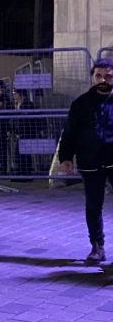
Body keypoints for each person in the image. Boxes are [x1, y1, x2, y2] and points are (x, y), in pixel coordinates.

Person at [59, 58, 113, 264]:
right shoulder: (80, 104)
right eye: (99, 75)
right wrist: (66, 158)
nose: (103, 80)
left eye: (108, 76)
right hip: (90, 161)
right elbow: (69, 133)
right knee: (93, 206)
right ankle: (97, 247)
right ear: (92, 77)